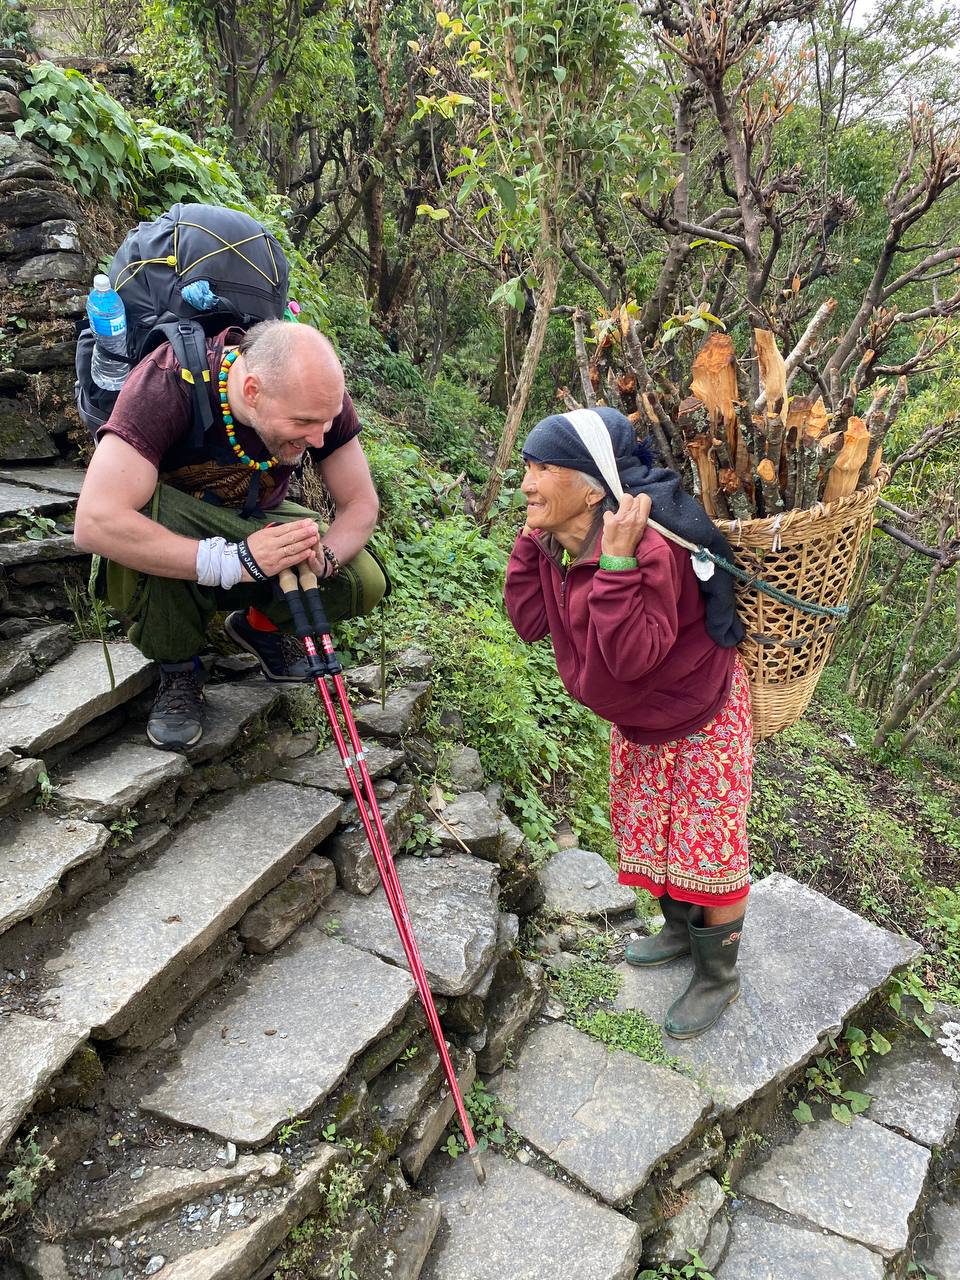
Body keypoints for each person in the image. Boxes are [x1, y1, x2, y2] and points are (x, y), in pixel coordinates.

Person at [504, 407, 751, 1039]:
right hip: (642, 722)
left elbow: (635, 655)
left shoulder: (647, 548)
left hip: (699, 717)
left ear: (592, 487)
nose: (527, 481)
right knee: (654, 832)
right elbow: (530, 623)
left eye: (545, 468)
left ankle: (719, 976)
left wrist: (614, 567)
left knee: (709, 845)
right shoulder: (560, 542)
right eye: (528, 465)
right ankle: (676, 930)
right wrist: (531, 543)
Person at [74, 320, 385, 751]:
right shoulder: (167, 383)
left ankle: (259, 628)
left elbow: (361, 505)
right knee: (159, 512)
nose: (318, 438)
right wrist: (232, 561)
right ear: (253, 390)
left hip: (251, 516)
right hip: (176, 538)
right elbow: (94, 520)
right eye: (304, 423)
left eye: (327, 421)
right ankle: (178, 668)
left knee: (362, 580)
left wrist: (324, 557)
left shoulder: (318, 398)